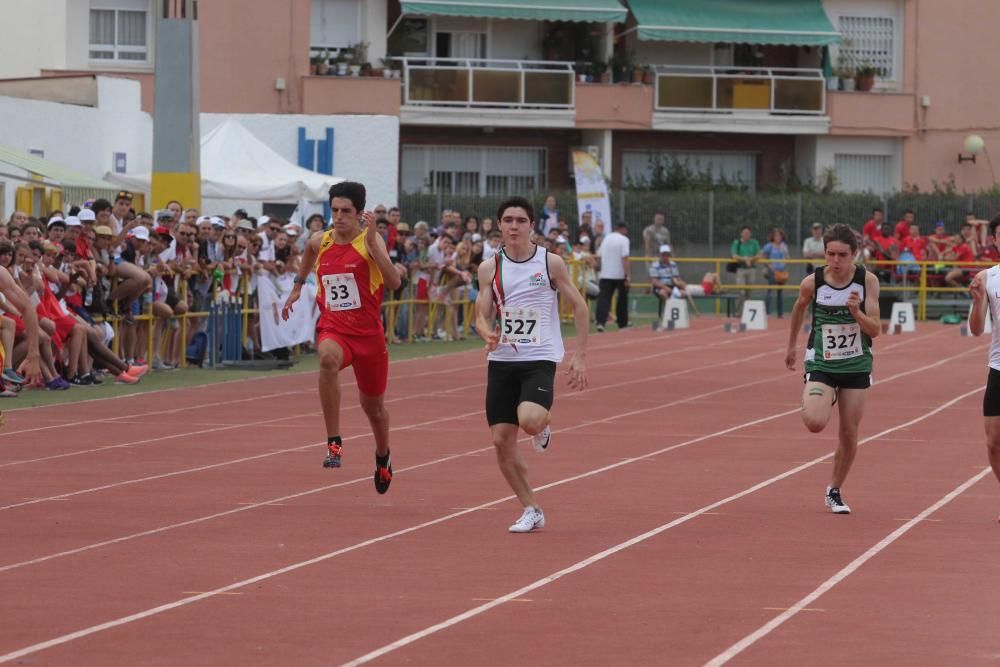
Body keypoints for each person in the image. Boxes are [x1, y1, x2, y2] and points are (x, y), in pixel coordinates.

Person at [474, 195, 589, 533]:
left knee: (529, 420)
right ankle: (531, 508)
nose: (513, 226)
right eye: (508, 220)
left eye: (520, 220)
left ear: (531, 225)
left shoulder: (550, 263)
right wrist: (485, 332)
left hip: (539, 356)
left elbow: (580, 307)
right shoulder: (489, 267)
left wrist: (580, 355)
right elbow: (482, 313)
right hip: (502, 359)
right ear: (499, 225)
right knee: (500, 440)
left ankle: (542, 426)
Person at [281, 181, 402, 494]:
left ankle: (383, 456)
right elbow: (307, 253)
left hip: (369, 337)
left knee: (374, 409)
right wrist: (298, 285)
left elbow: (394, 282)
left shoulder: (368, 243)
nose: (338, 216)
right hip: (335, 328)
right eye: (334, 210)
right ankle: (334, 443)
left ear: (360, 213)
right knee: (328, 360)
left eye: (346, 211)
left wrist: (375, 243)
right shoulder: (320, 240)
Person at [785, 223, 881, 515]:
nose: (835, 261)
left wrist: (856, 313)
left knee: (849, 434)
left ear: (854, 254)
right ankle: (822, 393)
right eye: (830, 254)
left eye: (842, 255)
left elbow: (875, 329)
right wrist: (790, 346)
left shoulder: (867, 281)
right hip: (822, 362)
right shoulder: (812, 282)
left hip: (856, 362)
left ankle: (834, 490)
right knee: (814, 422)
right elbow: (799, 308)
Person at [966, 214, 1000, 523]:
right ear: (995, 239)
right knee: (993, 442)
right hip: (999, 368)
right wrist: (978, 302)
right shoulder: (987, 279)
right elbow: (977, 330)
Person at [595, 220, 631, 332]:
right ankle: (622, 324)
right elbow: (625, 258)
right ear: (623, 229)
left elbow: (598, 255)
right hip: (619, 274)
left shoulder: (606, 239)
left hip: (605, 274)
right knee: (622, 299)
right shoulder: (624, 239)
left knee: (604, 299)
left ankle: (600, 322)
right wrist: (627, 275)